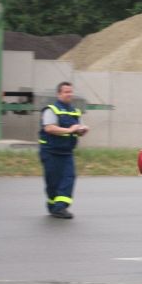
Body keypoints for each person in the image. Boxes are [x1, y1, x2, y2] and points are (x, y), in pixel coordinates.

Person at [39, 82, 89, 219]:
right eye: (66, 92)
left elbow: (76, 130)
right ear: (59, 94)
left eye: (71, 91)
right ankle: (53, 206)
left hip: (66, 152)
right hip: (50, 152)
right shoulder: (51, 110)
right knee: (53, 181)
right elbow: (49, 128)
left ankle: (60, 207)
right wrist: (70, 129)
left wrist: (81, 131)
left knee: (69, 177)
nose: (69, 94)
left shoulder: (74, 111)